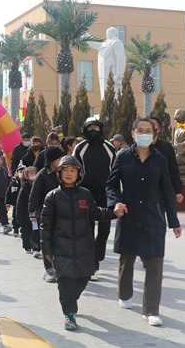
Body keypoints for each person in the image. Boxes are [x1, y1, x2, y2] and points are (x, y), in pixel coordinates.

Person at [107, 117, 182, 327]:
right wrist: (116, 202)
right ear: (133, 134)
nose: (144, 134)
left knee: (155, 263)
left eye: (148, 130)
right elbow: (111, 185)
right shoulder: (123, 157)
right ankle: (124, 294)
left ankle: (151, 310)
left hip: (153, 216)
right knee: (127, 258)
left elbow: (167, 191)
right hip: (129, 215)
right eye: (140, 130)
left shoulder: (160, 159)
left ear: (154, 134)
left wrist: (174, 221)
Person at [41, 155, 118, 331]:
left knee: (83, 278)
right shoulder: (52, 197)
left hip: (84, 247)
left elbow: (96, 213)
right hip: (61, 248)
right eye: (65, 170)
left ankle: (71, 301)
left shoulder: (85, 194)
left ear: (79, 174)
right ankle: (69, 314)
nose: (69, 174)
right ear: (59, 173)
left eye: (72, 171)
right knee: (65, 284)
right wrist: (46, 249)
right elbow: (45, 225)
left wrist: (114, 213)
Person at [73, 117, 117, 280]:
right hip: (86, 193)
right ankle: (92, 265)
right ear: (85, 129)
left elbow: (115, 172)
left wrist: (117, 195)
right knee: (88, 229)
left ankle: (98, 257)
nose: (93, 130)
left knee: (105, 229)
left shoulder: (109, 148)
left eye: (96, 127)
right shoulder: (80, 148)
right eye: (90, 128)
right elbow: (74, 171)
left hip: (105, 193)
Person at [27, 145, 66, 281]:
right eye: (59, 158)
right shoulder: (43, 175)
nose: (61, 160)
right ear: (51, 160)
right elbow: (34, 195)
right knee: (47, 242)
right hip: (46, 214)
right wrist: (33, 213)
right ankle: (49, 269)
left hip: (62, 213)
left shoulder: (63, 172)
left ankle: (61, 268)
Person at [149, 117, 184, 204]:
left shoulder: (167, 147)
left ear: (158, 129)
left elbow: (173, 170)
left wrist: (178, 191)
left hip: (162, 191)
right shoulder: (139, 148)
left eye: (153, 125)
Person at [86, 26, 126, 95]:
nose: (107, 34)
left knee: (114, 92)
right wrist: (84, 34)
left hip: (112, 71)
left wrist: (119, 75)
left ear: (113, 33)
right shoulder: (104, 43)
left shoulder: (116, 42)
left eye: (109, 32)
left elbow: (121, 58)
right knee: (104, 92)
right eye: (107, 32)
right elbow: (94, 42)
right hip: (103, 70)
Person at [15, 166, 38, 254]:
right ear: (26, 176)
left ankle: (36, 248)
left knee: (35, 231)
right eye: (31, 173)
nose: (33, 175)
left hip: (35, 215)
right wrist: (19, 217)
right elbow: (19, 204)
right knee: (26, 232)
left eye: (35, 173)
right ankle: (27, 246)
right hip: (25, 215)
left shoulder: (38, 187)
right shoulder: (24, 189)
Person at [5, 164, 23, 237]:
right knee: (15, 218)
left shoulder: (28, 183)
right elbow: (8, 193)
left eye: (23, 171)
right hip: (16, 204)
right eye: (20, 171)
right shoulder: (13, 183)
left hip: (24, 204)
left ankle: (23, 231)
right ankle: (15, 229)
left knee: (24, 218)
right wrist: (8, 203)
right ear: (17, 172)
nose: (22, 173)